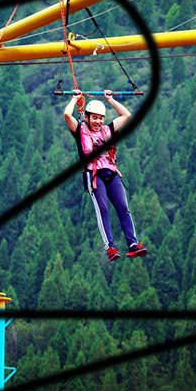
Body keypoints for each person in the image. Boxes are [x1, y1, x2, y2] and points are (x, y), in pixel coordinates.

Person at [64, 90, 147, 262]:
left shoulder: (107, 130)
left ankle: (132, 244)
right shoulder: (80, 131)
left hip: (112, 173)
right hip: (94, 176)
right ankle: (109, 247)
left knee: (123, 207)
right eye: (94, 118)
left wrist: (111, 100)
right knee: (103, 210)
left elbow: (126, 115)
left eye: (100, 118)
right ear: (87, 118)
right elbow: (67, 115)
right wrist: (74, 99)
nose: (98, 121)